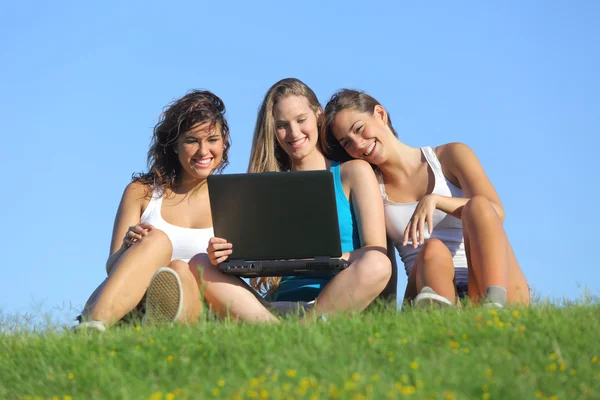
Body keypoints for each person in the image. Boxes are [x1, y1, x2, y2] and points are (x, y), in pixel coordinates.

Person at [189, 78, 392, 323]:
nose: (294, 133)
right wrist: (221, 255)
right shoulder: (264, 187)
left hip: (338, 299)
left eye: (301, 120)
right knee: (200, 263)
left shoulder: (353, 172)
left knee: (378, 263)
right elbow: (248, 259)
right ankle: (272, 325)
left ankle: (306, 326)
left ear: (318, 115)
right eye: (282, 125)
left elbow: (375, 249)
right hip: (278, 305)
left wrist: (318, 260)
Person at [321, 89, 530, 308]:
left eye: (359, 129)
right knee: (433, 248)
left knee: (478, 205)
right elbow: (382, 256)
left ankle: (494, 307)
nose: (358, 144)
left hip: (485, 279)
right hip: (427, 282)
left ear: (380, 115)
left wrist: (436, 200)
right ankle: (441, 308)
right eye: (347, 143)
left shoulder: (450, 155)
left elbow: (496, 211)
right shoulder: (370, 187)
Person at [74, 90, 231, 331]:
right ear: (174, 145)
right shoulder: (141, 193)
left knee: (180, 269)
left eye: (212, 139)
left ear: (224, 142)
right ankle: (93, 327)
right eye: (191, 140)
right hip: (133, 301)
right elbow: (111, 266)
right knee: (156, 240)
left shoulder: (231, 199)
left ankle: (156, 328)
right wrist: (128, 247)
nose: (203, 151)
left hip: (199, 306)